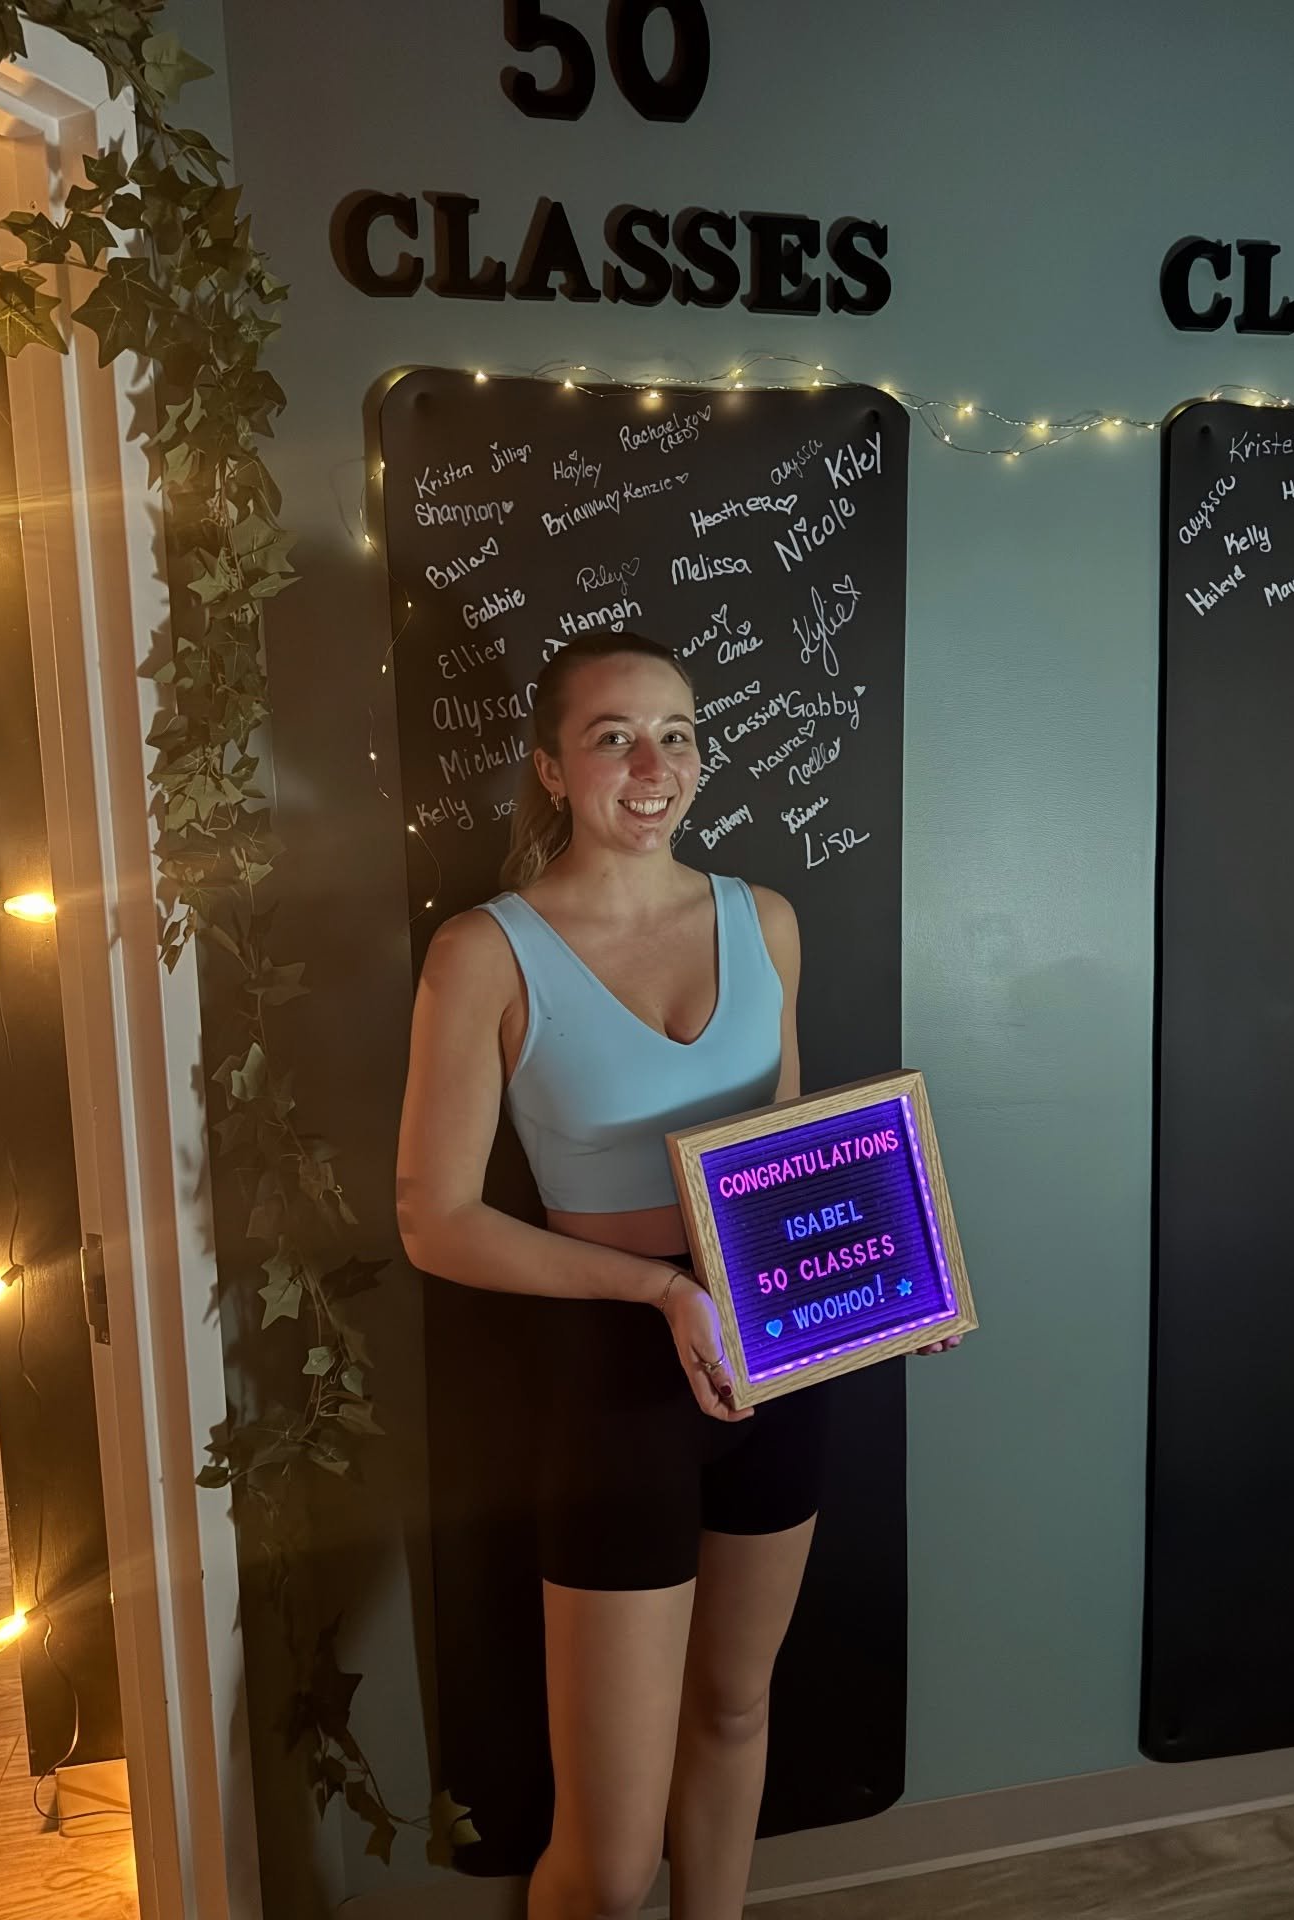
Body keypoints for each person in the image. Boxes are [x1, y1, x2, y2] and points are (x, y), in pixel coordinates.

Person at [396, 631, 959, 1919]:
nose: (655, 768)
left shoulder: (766, 922)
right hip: (611, 1381)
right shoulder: (486, 950)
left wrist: (893, 1274)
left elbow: (793, 1152)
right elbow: (436, 1222)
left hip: (780, 1346)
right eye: (614, 739)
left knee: (738, 1706)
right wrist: (656, 1292)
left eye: (679, 734)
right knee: (608, 1863)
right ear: (551, 768)